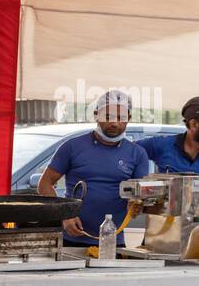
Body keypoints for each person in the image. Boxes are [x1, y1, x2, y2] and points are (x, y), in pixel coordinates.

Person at [38, 89, 150, 246]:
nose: (114, 123)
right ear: (97, 115)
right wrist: (64, 215)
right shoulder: (72, 147)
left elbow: (139, 193)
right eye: (108, 116)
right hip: (71, 239)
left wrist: (137, 202)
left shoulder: (137, 153)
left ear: (129, 118)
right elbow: (44, 184)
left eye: (121, 117)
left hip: (113, 241)